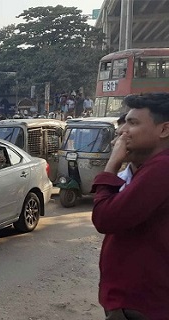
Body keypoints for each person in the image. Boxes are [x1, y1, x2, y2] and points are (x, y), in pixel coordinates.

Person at [91, 93, 169, 319]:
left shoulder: (162, 169)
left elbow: (105, 218)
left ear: (164, 130)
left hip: (144, 304)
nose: (121, 130)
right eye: (124, 122)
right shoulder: (147, 169)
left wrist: (111, 165)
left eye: (133, 123)